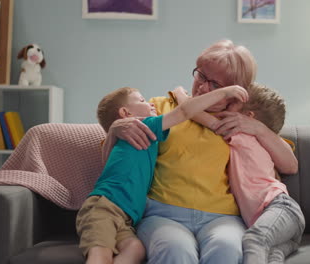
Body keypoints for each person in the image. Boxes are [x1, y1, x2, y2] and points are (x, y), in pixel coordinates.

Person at [104, 39, 298, 263]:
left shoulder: (239, 122)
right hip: (163, 214)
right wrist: (114, 130)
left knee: (227, 248)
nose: (204, 88)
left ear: (236, 91)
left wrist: (258, 128)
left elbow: (290, 165)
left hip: (222, 217)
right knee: (175, 249)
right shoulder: (161, 108)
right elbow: (117, 160)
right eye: (201, 76)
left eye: (216, 85)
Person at [76, 85, 249, 264]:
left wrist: (181, 94)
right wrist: (224, 92)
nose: (150, 103)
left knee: (135, 250)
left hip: (127, 217)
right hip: (104, 208)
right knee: (100, 257)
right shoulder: (143, 125)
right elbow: (183, 112)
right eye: (142, 100)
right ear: (126, 113)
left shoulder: (140, 136)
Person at [175, 83, 306, 263]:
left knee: (254, 240)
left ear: (247, 117)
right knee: (272, 256)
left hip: (279, 208)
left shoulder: (242, 135)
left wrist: (181, 96)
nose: (228, 103)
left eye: (234, 103)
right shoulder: (254, 138)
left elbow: (194, 113)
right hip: (279, 226)